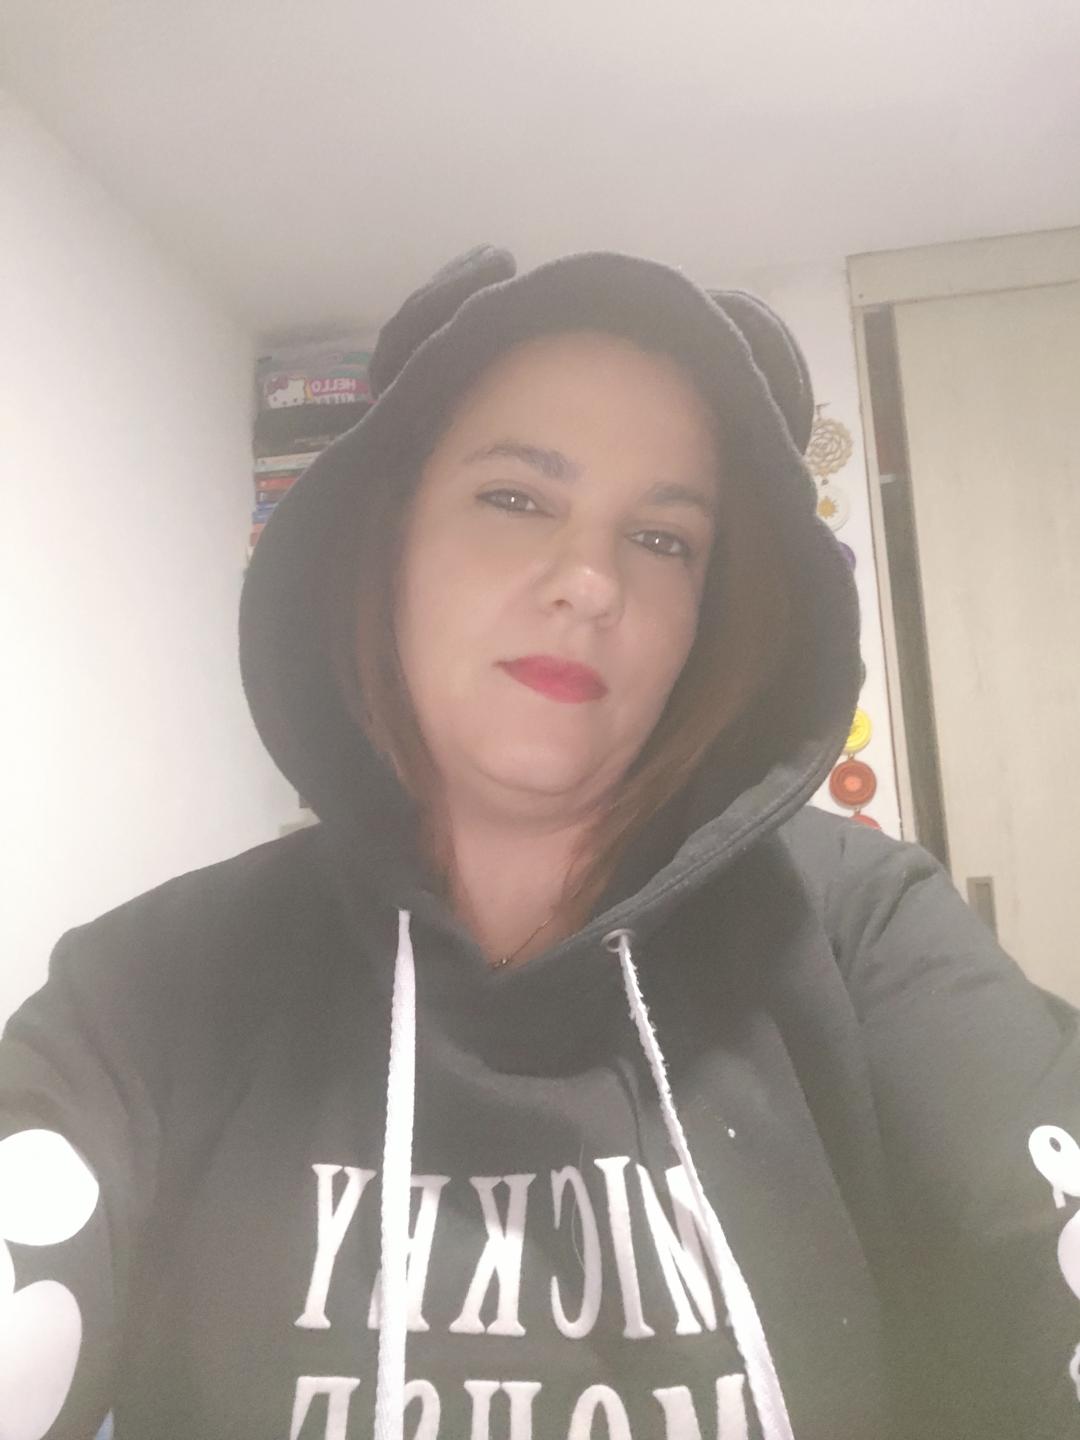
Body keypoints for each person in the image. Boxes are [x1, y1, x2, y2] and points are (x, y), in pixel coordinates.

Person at [2, 245, 1078, 1440]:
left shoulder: (860, 931)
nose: (590, 583)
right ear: (385, 547)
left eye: (664, 539)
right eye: (515, 499)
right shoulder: (155, 991)